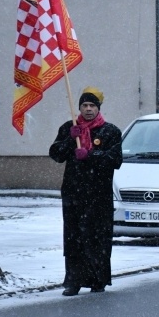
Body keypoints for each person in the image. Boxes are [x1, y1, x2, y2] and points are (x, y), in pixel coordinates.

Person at [49, 87, 123, 296]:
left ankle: (97, 279)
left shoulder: (110, 131)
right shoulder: (69, 128)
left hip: (99, 194)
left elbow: (115, 160)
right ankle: (73, 281)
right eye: (84, 105)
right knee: (74, 238)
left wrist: (90, 156)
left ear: (98, 108)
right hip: (74, 193)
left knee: (97, 237)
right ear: (79, 108)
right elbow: (55, 154)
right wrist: (70, 140)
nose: (88, 109)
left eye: (92, 106)